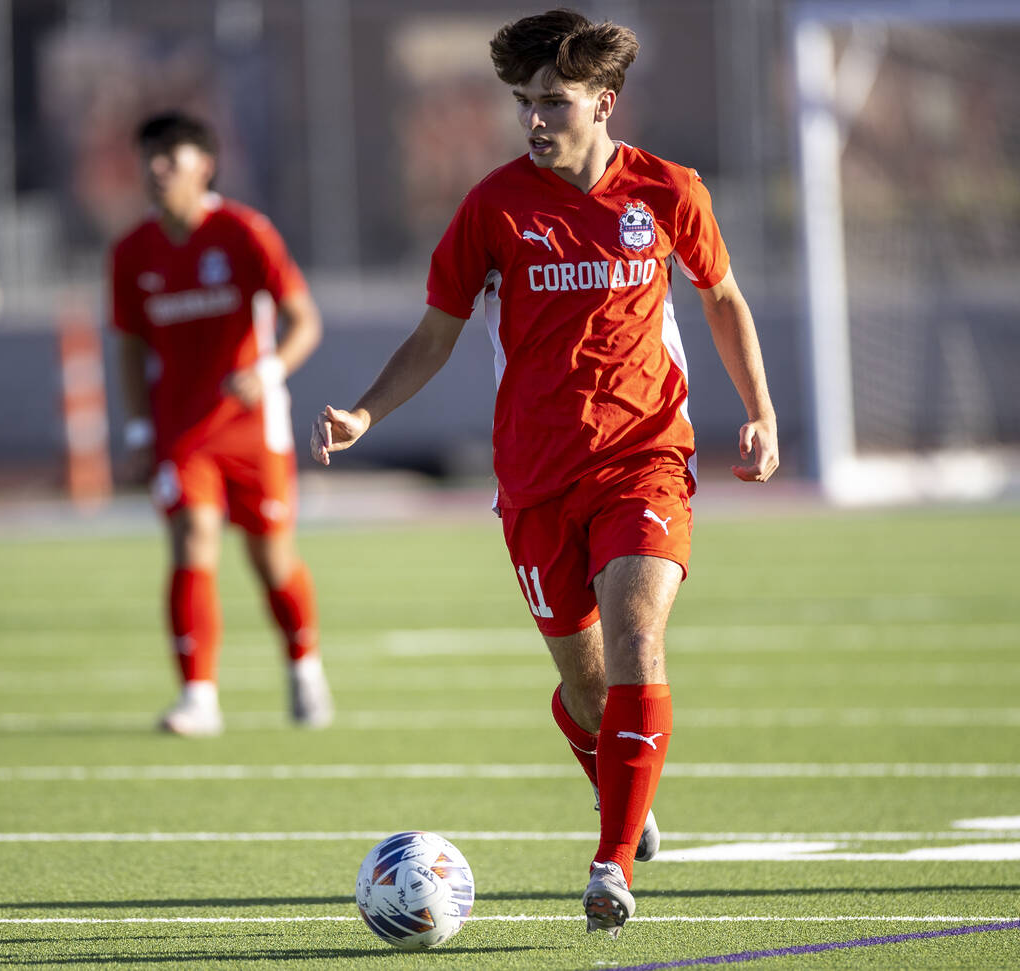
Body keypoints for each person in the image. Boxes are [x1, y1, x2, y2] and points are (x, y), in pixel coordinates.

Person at [311, 10, 777, 935]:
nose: (533, 118)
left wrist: (759, 411)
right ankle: (624, 789)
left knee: (641, 636)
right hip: (532, 479)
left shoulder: (668, 191)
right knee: (588, 690)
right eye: (523, 102)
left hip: (645, 456)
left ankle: (610, 861)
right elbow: (435, 334)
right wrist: (366, 410)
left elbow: (720, 294)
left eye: (552, 102)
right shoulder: (493, 207)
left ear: (604, 103)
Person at [111, 110, 333, 736]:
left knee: (272, 560)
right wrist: (135, 430)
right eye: (149, 158)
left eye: (170, 158)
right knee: (191, 542)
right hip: (182, 433)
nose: (156, 170)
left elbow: (304, 320)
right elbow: (128, 345)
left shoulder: (243, 232)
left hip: (253, 427)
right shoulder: (131, 253)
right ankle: (198, 696)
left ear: (203, 166)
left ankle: (304, 666)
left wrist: (268, 371)